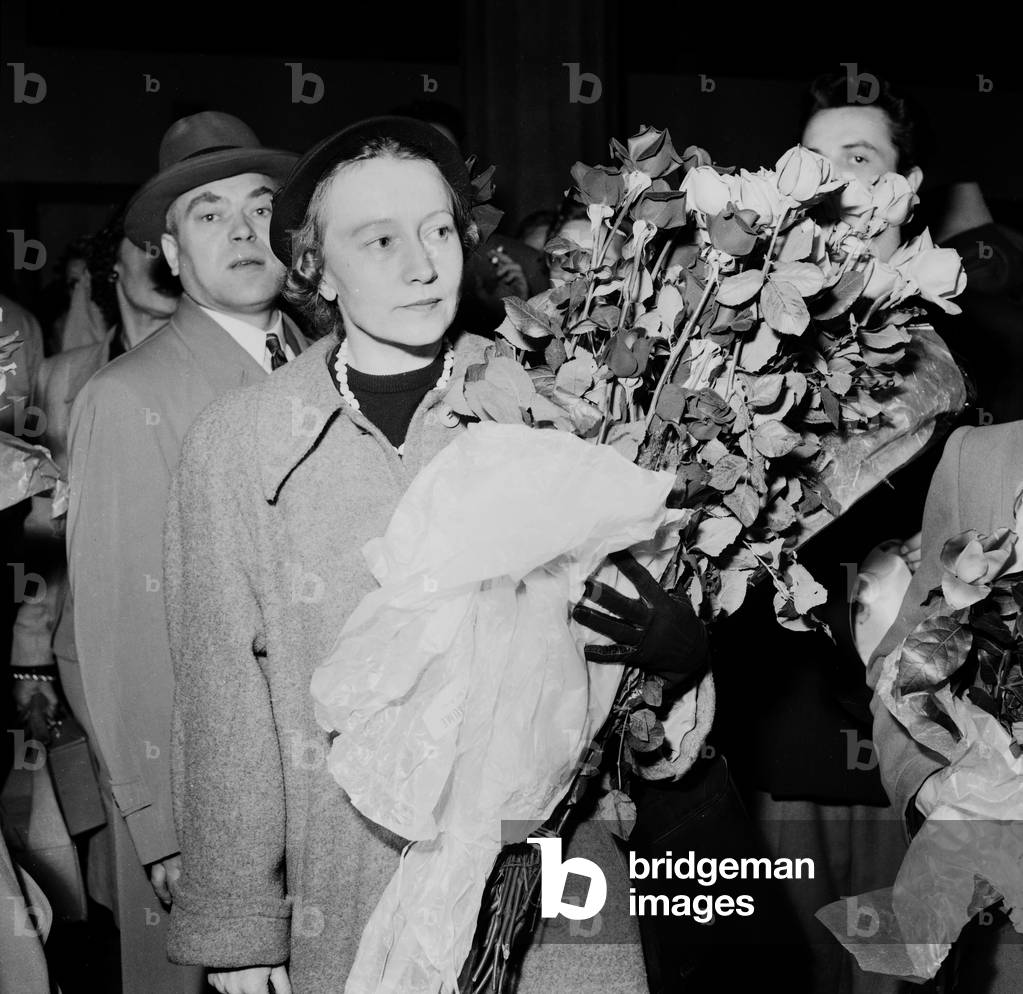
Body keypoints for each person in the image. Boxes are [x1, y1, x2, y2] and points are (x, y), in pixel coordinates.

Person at [163, 116, 708, 994]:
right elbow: (223, 694)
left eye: (438, 231)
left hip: (558, 885)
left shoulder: (558, 407)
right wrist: (239, 925)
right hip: (350, 879)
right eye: (377, 240)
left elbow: (617, 696)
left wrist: (678, 666)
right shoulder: (238, 446)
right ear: (314, 267)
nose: (421, 265)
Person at [712, 71, 963, 994]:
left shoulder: (955, 362)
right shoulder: (740, 336)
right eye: (812, 161)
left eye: (859, 160)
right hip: (765, 745)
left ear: (909, 187)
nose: (832, 183)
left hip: (903, 760)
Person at [65, 110, 303, 994]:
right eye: (208, 214)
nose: (242, 231)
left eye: (260, 206)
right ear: (168, 252)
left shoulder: (333, 364)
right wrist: (167, 829)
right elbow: (119, 635)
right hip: (213, 807)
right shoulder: (131, 399)